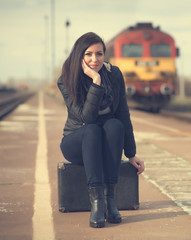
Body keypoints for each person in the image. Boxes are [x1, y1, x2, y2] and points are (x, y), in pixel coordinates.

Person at [57, 32, 145, 228]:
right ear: (79, 55)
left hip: (102, 141)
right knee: (92, 130)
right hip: (76, 142)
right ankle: (96, 203)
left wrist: (131, 154)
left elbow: (123, 113)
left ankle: (110, 199)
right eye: (88, 54)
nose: (94, 59)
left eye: (99, 54)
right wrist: (95, 80)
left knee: (115, 124)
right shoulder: (67, 79)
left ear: (105, 55)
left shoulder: (114, 75)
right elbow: (87, 118)